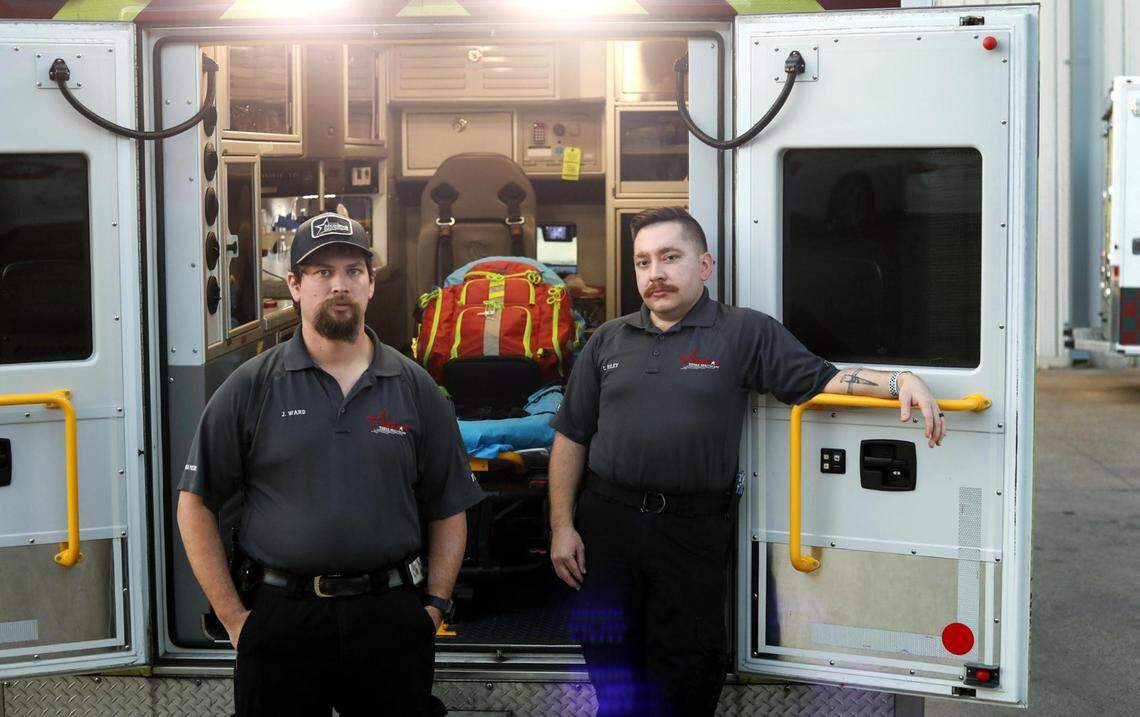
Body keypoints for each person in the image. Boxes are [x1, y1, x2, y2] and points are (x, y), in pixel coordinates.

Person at [548, 206, 946, 716]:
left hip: (689, 532)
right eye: (644, 262)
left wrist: (897, 382)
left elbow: (820, 378)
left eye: (670, 258)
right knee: (609, 665)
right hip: (607, 526)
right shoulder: (608, 340)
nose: (656, 274)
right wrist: (562, 526)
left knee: (687, 672)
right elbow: (571, 436)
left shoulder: (742, 333)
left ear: (705, 265)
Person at [177, 212, 483, 716]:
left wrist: (434, 607)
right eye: (321, 272)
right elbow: (196, 503)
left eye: (352, 271)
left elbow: (450, 505)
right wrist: (235, 618)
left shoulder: (415, 387)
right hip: (281, 618)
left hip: (390, 617)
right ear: (295, 286)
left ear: (370, 284)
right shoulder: (251, 387)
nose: (338, 284)